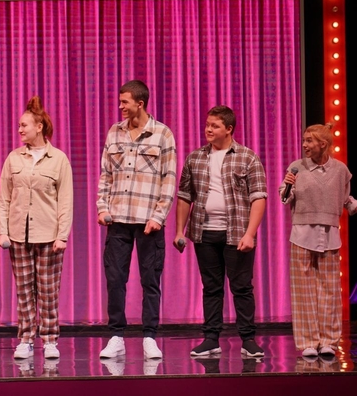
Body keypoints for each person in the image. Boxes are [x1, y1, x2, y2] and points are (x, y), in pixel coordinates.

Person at [173, 105, 267, 358]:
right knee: (211, 287)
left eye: (214, 126)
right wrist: (179, 231)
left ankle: (248, 340)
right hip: (204, 233)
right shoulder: (195, 158)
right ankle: (211, 339)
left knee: (242, 288)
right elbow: (184, 196)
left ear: (229, 129)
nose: (208, 129)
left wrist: (250, 233)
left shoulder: (247, 157)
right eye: (207, 125)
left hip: (236, 233)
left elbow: (259, 197)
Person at [96, 80, 176, 360]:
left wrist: (159, 216)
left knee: (150, 281)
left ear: (140, 104)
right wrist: (102, 207)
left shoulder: (162, 134)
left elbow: (169, 178)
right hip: (118, 219)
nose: (120, 106)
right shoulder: (114, 132)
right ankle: (116, 336)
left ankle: (149, 337)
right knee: (115, 279)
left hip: (148, 222)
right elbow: (106, 174)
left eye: (125, 102)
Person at [0, 95, 73, 360]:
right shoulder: (14, 158)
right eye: (19, 125)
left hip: (48, 235)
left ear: (39, 127)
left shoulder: (58, 159)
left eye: (24, 125)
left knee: (48, 291)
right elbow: (4, 199)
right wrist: (3, 231)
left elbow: (65, 201)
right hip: (18, 236)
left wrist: (62, 235)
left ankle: (50, 339)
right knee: (24, 291)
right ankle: (26, 338)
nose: (20, 129)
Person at [279, 123, 353, 358]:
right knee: (304, 291)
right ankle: (308, 341)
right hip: (302, 235)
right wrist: (288, 184)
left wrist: (352, 205)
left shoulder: (340, 170)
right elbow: (285, 196)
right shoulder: (296, 168)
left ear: (323, 144)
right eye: (304, 140)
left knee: (329, 290)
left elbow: (345, 198)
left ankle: (329, 341)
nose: (304, 145)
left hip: (329, 235)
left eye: (309, 140)